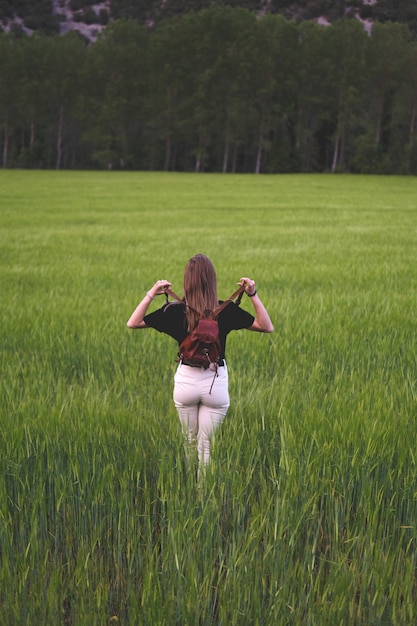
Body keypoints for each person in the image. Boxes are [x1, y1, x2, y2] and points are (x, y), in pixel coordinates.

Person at [126, 254, 274, 476]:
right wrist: (251, 293)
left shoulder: (174, 311)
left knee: (188, 441)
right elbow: (266, 326)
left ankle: (185, 490)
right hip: (215, 383)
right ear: (212, 281)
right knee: (205, 446)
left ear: (187, 281)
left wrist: (151, 293)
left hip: (186, 382)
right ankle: (203, 492)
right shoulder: (226, 310)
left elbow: (133, 322)